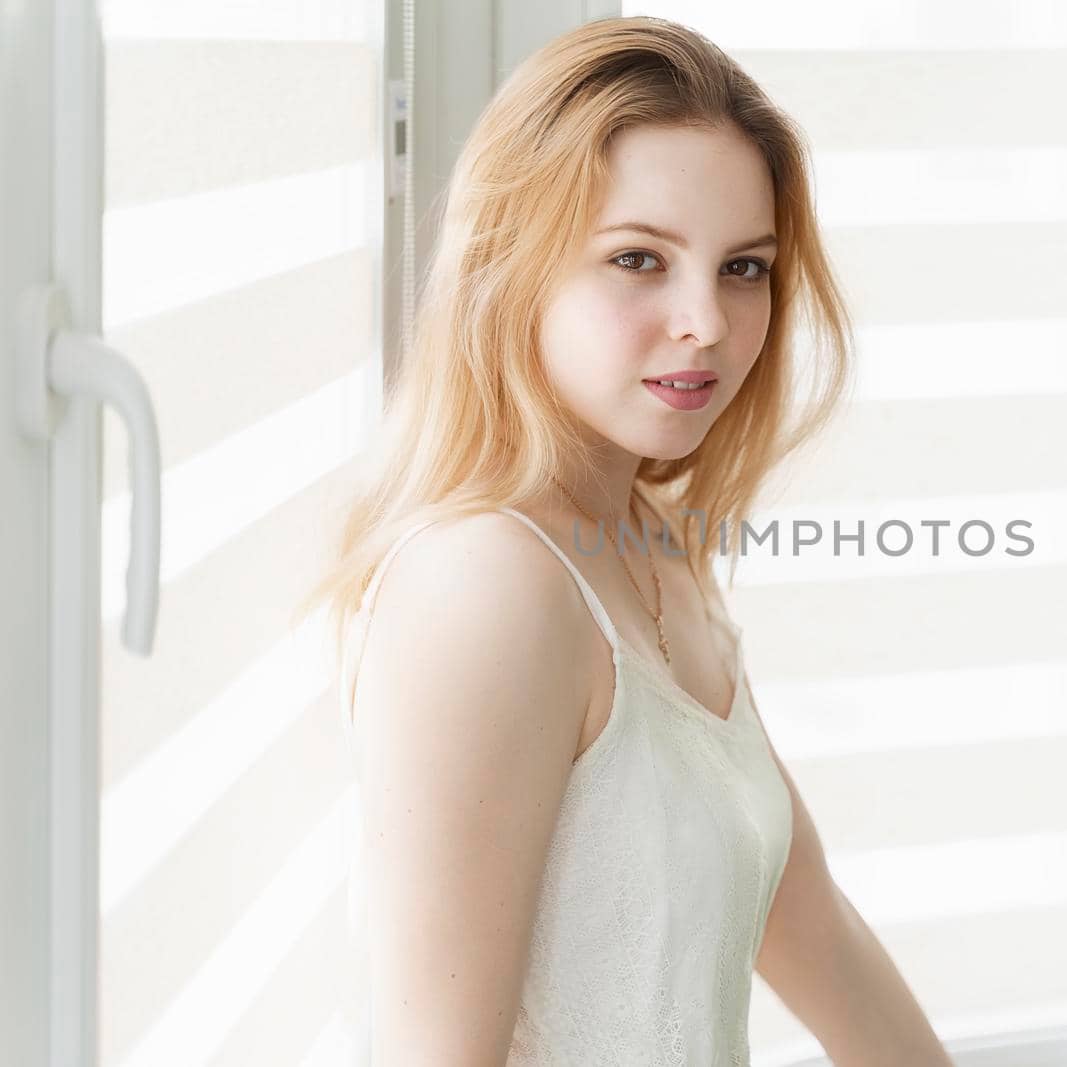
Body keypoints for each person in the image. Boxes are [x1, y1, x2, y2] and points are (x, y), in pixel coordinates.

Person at [295, 15, 954, 1066]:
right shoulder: (487, 583)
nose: (705, 320)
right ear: (512, 268)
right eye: (638, 259)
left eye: (743, 267)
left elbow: (801, 913)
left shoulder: (648, 542)